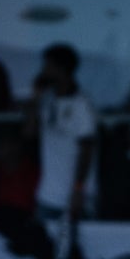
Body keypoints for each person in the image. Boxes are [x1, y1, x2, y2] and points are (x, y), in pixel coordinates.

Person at [32, 43, 100, 244]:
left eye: (47, 66)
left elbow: (87, 149)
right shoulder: (47, 100)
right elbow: (29, 133)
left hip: (76, 196)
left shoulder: (82, 105)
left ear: (60, 69)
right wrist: (34, 100)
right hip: (48, 194)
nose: (43, 71)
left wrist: (78, 188)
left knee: (80, 249)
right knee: (42, 248)